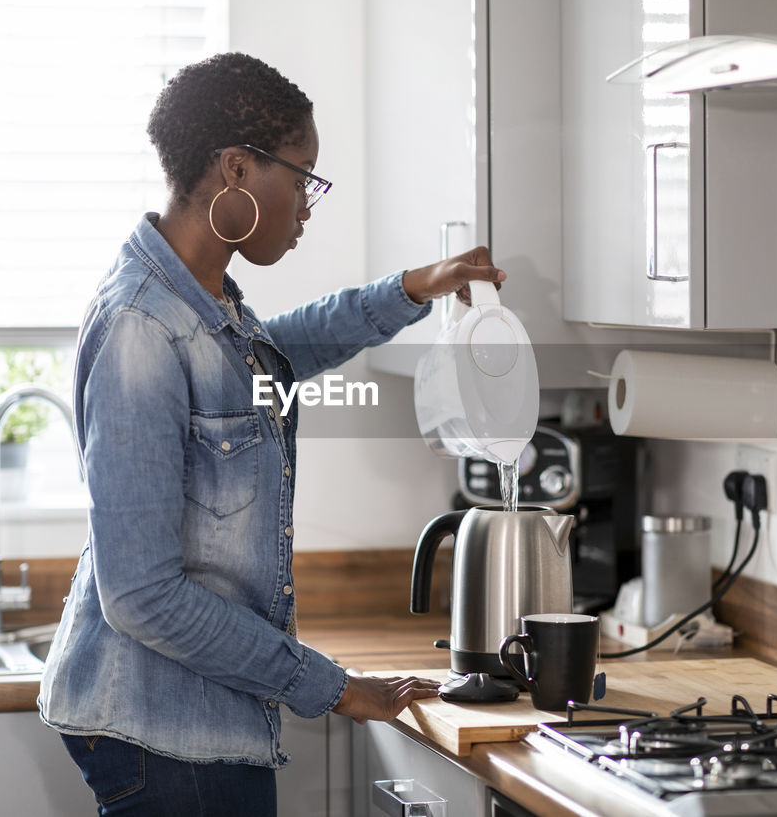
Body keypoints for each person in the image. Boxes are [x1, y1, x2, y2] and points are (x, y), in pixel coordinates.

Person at [38, 52, 506, 815]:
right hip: (165, 734)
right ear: (234, 169)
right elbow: (143, 595)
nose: (307, 203)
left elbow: (285, 349)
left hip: (193, 722)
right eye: (302, 176)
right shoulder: (141, 329)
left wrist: (413, 288)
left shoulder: (204, 308)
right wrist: (330, 685)